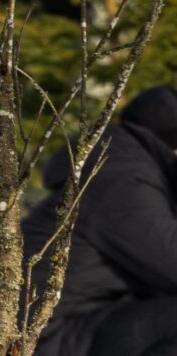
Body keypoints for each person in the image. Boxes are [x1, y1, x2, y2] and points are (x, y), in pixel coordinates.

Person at [23, 84, 177, 356]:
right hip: (50, 339)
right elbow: (170, 258)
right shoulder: (120, 179)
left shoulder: (123, 163)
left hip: (77, 326)